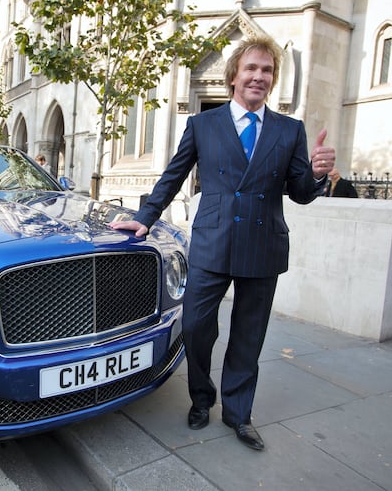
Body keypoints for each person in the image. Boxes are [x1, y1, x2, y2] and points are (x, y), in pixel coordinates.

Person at [109, 36, 335, 451]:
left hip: (263, 245)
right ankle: (201, 398)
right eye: (251, 68)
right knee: (195, 328)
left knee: (249, 336)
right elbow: (174, 174)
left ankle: (238, 413)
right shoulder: (203, 124)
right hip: (213, 242)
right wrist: (145, 219)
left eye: (267, 71)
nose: (259, 77)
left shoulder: (289, 130)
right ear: (234, 76)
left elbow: (300, 192)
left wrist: (318, 175)